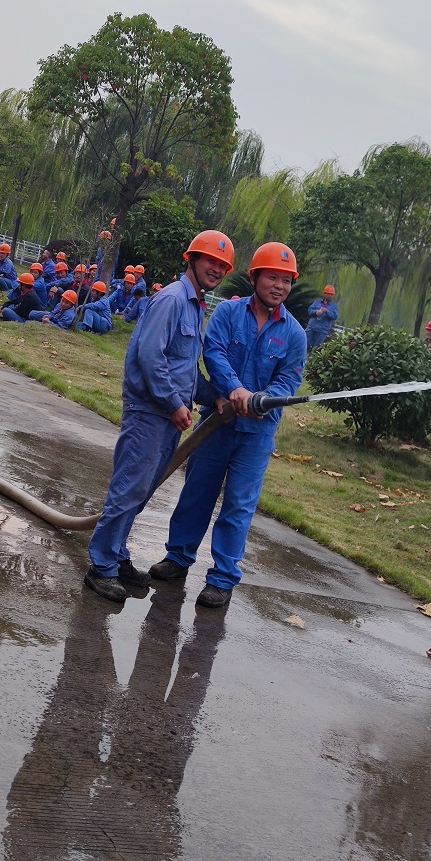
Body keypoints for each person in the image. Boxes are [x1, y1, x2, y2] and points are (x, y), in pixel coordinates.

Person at [150, 241, 307, 610]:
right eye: (272, 277)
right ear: (254, 277)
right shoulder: (227, 313)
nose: (279, 286)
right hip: (216, 423)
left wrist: (263, 400)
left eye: (286, 280)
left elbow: (289, 379)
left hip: (256, 434)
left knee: (239, 505)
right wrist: (234, 390)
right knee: (197, 493)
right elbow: (214, 353)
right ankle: (178, 558)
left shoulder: (295, 334)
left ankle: (221, 579)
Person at [84, 230, 234, 603]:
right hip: (149, 413)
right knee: (128, 489)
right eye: (210, 260)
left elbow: (185, 369)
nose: (216, 269)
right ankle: (100, 566)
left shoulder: (195, 305)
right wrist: (173, 403)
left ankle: (116, 554)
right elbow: (150, 356)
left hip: (167, 416)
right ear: (192, 259)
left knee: (142, 490)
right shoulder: (172, 299)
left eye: (222, 265)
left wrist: (213, 397)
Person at [306, 285, 339, 351]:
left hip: (322, 330)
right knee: (303, 343)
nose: (329, 295)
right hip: (311, 327)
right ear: (324, 293)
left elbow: (334, 316)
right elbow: (309, 310)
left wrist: (327, 311)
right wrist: (315, 312)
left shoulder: (334, 306)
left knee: (316, 349)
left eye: (331, 294)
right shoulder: (317, 302)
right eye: (328, 293)